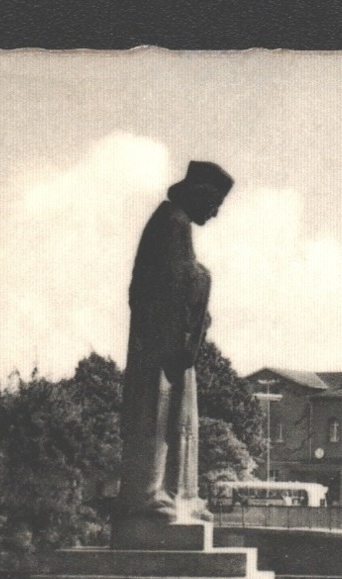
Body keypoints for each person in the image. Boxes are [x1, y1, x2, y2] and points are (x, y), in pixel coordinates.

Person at [117, 160, 234, 523]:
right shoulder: (171, 223)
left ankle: (181, 494)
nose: (214, 214)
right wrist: (204, 278)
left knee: (179, 418)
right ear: (200, 195)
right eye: (214, 205)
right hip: (160, 345)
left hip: (173, 342)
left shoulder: (176, 223)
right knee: (158, 413)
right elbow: (177, 279)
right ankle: (150, 497)